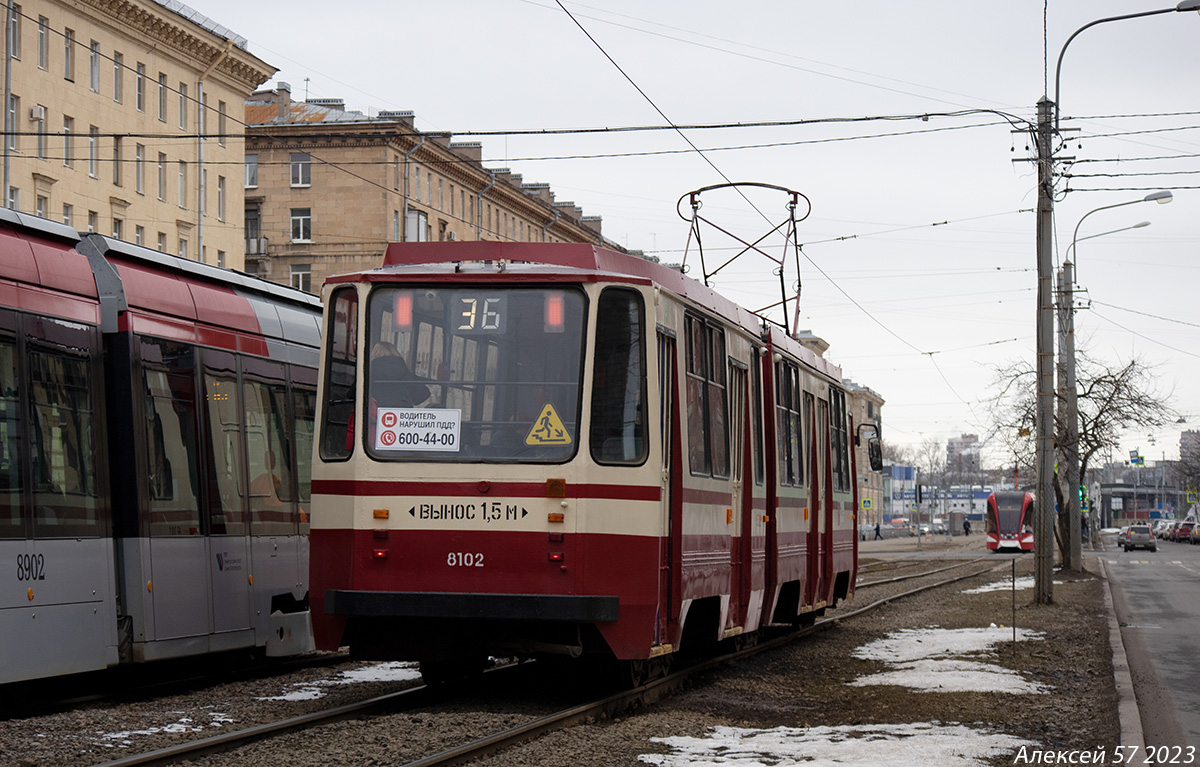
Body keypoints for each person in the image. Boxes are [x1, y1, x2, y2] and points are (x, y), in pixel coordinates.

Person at [370, 341, 430, 408]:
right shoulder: (404, 373)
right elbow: (423, 394)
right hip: (402, 414)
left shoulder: (369, 374)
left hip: (374, 414)